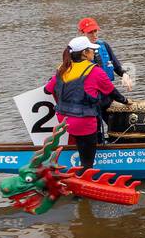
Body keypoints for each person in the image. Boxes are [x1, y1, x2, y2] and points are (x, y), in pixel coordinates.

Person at [45, 35, 126, 169]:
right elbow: (113, 93)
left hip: (65, 121)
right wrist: (126, 101)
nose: (93, 53)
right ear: (84, 53)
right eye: (90, 50)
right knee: (88, 162)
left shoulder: (63, 69)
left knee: (81, 144)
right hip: (84, 121)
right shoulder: (95, 71)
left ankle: (74, 167)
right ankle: (85, 176)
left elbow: (48, 90)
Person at [78, 17, 133, 90]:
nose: (94, 35)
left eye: (95, 31)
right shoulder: (77, 51)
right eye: (90, 32)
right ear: (82, 33)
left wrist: (125, 75)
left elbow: (116, 66)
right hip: (89, 91)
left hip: (107, 88)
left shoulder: (104, 45)